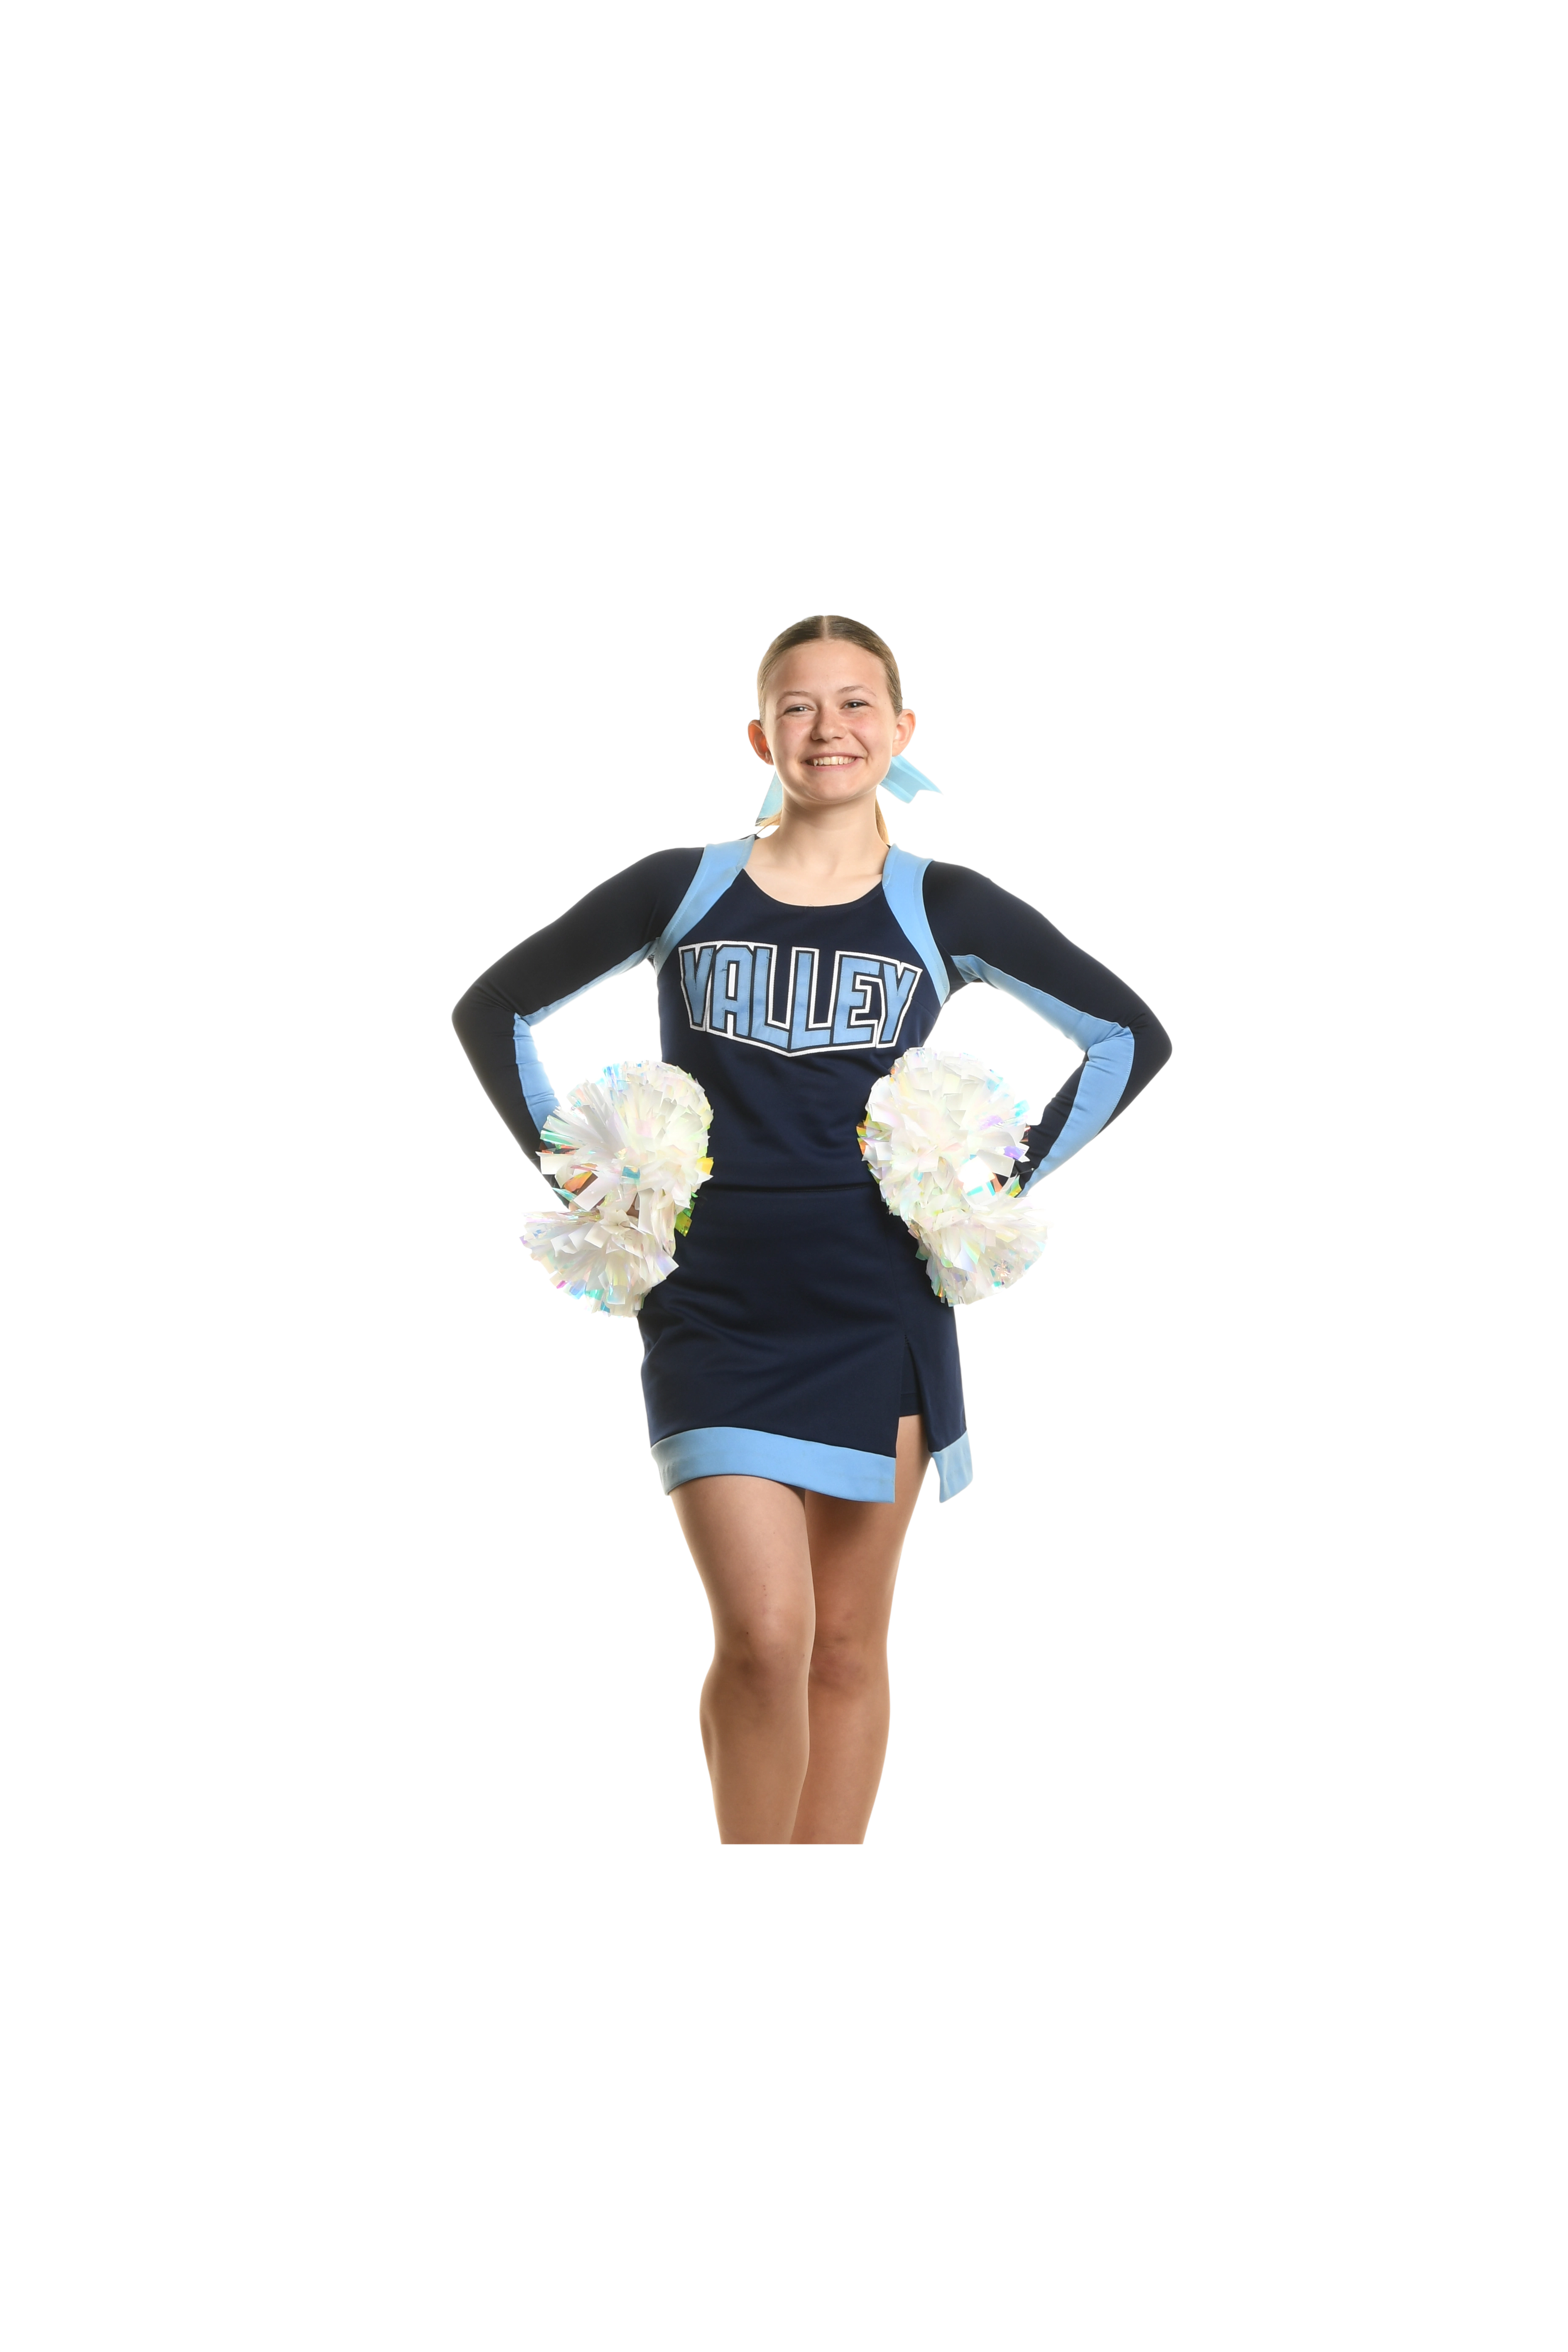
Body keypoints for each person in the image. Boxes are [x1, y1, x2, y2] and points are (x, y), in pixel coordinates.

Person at [452, 612, 1172, 1845]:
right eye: (797, 705)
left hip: (879, 1309)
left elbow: (1126, 1039)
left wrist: (980, 1191)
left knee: (842, 1645)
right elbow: (495, 1010)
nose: (827, 728)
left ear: (901, 730)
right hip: (714, 1309)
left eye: (854, 704)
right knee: (763, 1637)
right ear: (758, 734)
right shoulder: (682, 886)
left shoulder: (942, 903)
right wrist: (596, 1190)